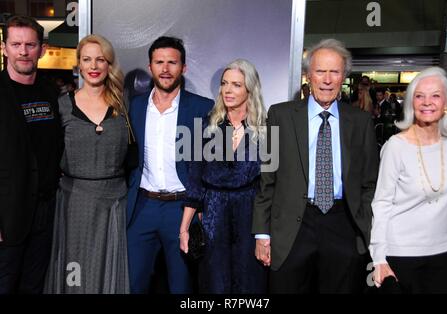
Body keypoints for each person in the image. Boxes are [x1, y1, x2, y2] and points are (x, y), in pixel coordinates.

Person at [252, 38, 379, 293]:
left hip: (343, 225)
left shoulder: (361, 121)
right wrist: (262, 234)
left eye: (335, 72)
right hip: (292, 227)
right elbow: (267, 179)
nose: (328, 79)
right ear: (309, 75)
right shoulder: (279, 115)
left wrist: (365, 231)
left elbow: (370, 182)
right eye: (321, 71)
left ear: (344, 76)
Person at [126, 36, 214, 294]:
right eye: (159, 62)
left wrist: (200, 207)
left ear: (183, 68)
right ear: (150, 66)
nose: (165, 69)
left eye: (172, 63)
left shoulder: (202, 108)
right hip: (142, 207)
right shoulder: (134, 106)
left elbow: (210, 165)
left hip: (183, 208)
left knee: (182, 286)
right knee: (133, 283)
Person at [44, 34, 130, 293]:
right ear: (78, 64)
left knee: (110, 270)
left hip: (115, 201)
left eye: (100, 60)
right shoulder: (61, 106)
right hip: (75, 203)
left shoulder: (124, 105)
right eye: (87, 60)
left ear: (108, 65)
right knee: (76, 272)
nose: (93, 66)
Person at [179, 59, 268, 293]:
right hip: (213, 216)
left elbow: (270, 187)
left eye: (236, 85)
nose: (228, 90)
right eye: (224, 83)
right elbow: (195, 181)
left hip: (250, 216)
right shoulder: (208, 126)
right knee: (214, 283)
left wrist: (265, 233)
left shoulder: (265, 130)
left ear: (250, 88)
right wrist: (184, 228)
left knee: (249, 283)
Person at [370, 66, 447, 293]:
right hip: (401, 255)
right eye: (419, 96)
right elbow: (382, 203)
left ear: (446, 103)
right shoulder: (395, 146)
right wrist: (379, 258)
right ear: (411, 103)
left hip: (444, 254)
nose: (427, 102)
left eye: (435, 95)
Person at [0, 15, 63, 294]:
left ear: (42, 49)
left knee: (34, 286)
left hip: (47, 211)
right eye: (16, 44)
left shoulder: (51, 92)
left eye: (30, 44)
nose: (23, 51)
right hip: (8, 213)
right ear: (4, 48)